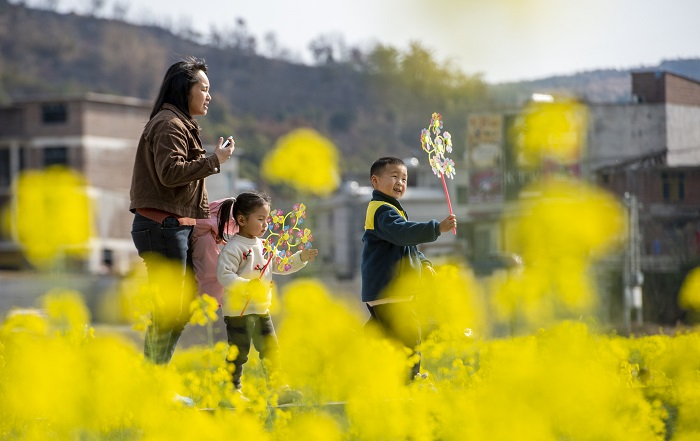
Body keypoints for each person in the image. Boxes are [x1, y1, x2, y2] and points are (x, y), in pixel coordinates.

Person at [129, 56, 235, 365]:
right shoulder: (168, 124)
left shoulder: (177, 124)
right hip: (162, 226)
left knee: (184, 304)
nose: (208, 95)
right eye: (203, 88)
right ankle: (152, 381)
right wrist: (214, 161)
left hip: (171, 226)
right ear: (182, 90)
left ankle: (154, 376)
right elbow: (170, 172)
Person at [361, 156, 457, 382]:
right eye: (394, 176)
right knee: (409, 334)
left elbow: (407, 244)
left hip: (385, 291)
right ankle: (410, 382)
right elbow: (403, 233)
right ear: (375, 181)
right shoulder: (381, 211)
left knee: (381, 337)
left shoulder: (391, 210)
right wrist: (437, 228)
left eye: (404, 178)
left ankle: (368, 372)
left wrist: (423, 262)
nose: (400, 182)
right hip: (389, 290)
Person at [216, 191, 318, 403]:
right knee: (239, 353)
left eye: (267, 220)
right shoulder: (234, 248)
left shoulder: (264, 245)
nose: (265, 225)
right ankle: (230, 391)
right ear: (242, 220)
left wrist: (300, 258)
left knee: (271, 351)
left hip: (261, 309)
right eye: (260, 219)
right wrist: (247, 286)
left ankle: (279, 389)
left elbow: (280, 265)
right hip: (239, 311)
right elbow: (224, 276)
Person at [191, 198, 237, 307]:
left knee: (210, 276)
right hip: (204, 256)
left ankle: (212, 300)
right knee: (211, 275)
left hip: (203, 254)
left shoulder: (209, 223)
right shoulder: (208, 221)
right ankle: (211, 300)